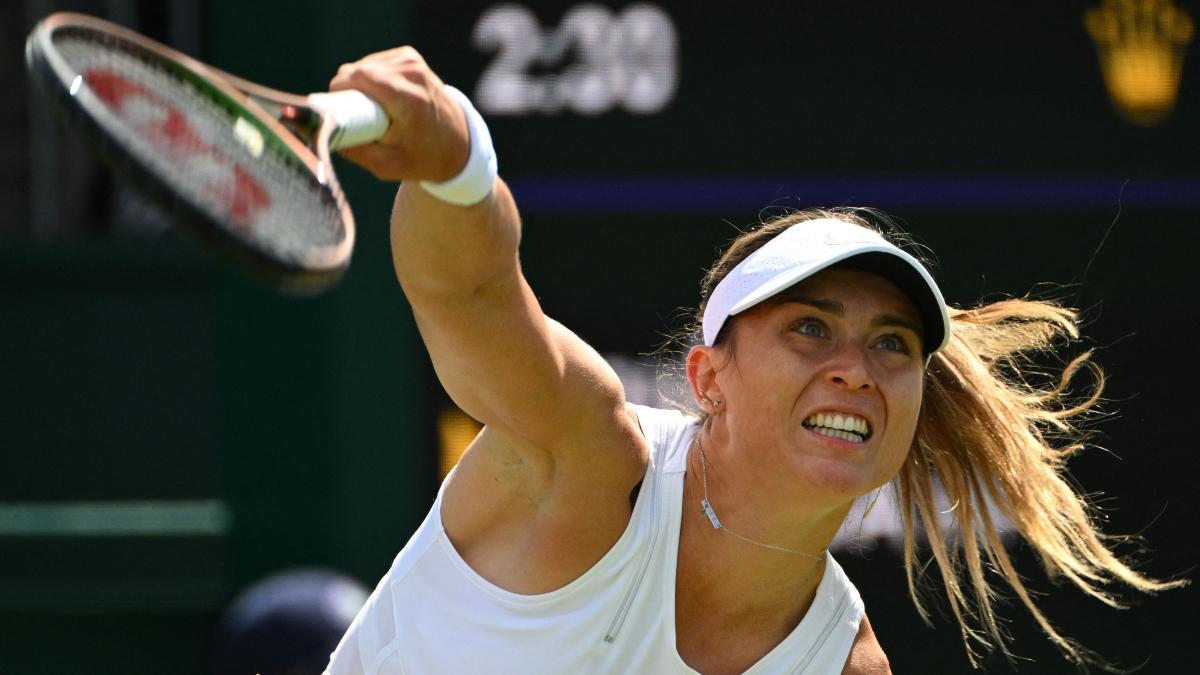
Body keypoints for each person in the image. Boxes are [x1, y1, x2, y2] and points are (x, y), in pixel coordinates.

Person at [322, 48, 1183, 674]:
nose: (856, 367)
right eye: (810, 327)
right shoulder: (585, 458)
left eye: (893, 343)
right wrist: (456, 167)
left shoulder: (840, 664)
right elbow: (471, 295)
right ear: (707, 380)